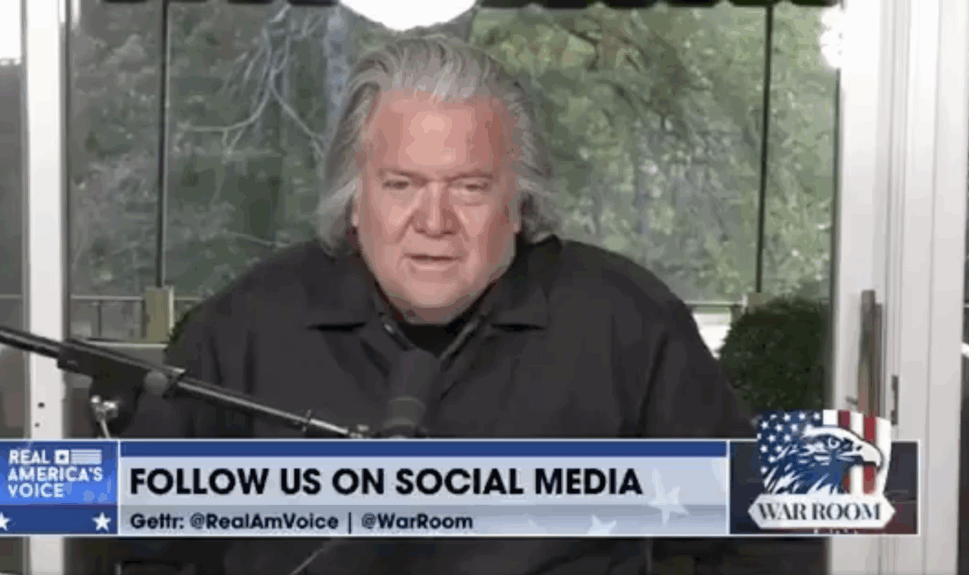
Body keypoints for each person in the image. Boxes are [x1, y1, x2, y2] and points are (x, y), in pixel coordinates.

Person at [118, 34, 754, 575]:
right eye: (401, 184)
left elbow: (754, 536)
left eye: (470, 187)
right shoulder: (243, 328)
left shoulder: (627, 322)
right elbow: (141, 545)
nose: (434, 221)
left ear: (519, 203)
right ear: (353, 200)